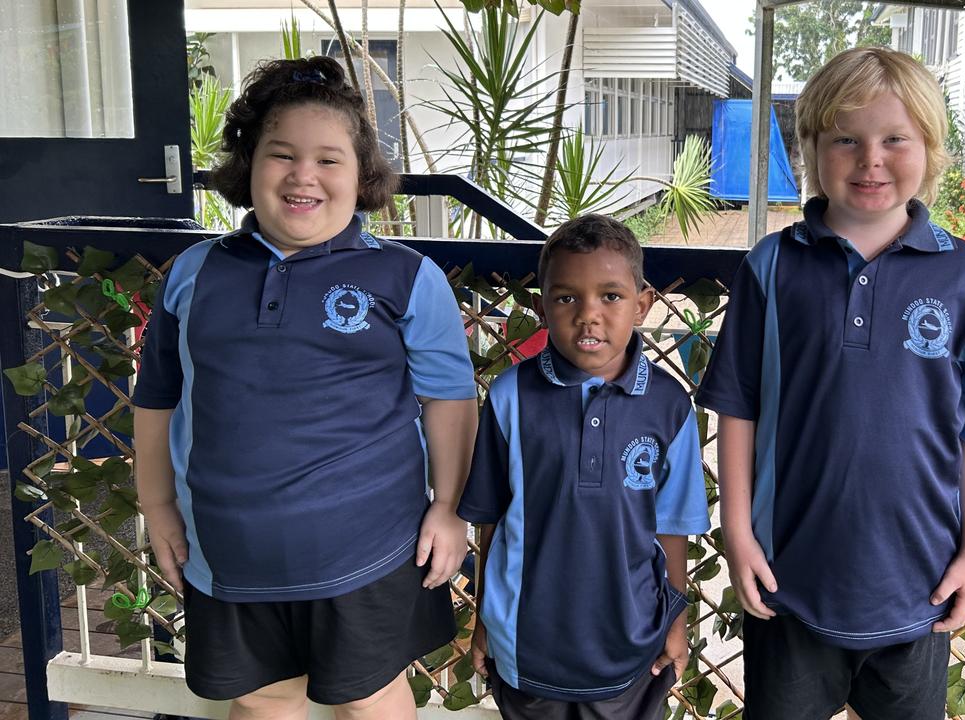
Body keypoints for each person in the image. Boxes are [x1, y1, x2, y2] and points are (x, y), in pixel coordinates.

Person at [133, 55, 478, 720]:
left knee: (370, 699)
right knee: (264, 704)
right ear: (247, 164)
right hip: (228, 553)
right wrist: (158, 506)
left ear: (361, 175)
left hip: (369, 552)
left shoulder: (407, 277)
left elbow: (451, 400)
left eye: (329, 159)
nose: (303, 176)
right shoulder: (194, 273)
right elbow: (159, 396)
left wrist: (449, 509)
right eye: (280, 154)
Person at [696, 47, 965, 719]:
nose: (871, 159)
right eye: (846, 139)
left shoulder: (964, 278)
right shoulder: (772, 268)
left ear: (930, 146)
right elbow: (737, 408)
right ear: (810, 147)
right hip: (790, 581)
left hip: (918, 589)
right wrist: (738, 532)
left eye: (894, 139)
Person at [459, 214, 711, 720]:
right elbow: (491, 520)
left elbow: (673, 528)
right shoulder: (510, 396)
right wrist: (484, 616)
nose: (588, 315)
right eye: (567, 297)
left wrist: (676, 622)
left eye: (611, 297)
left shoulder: (668, 404)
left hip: (630, 645)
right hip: (528, 644)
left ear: (641, 305)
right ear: (543, 305)